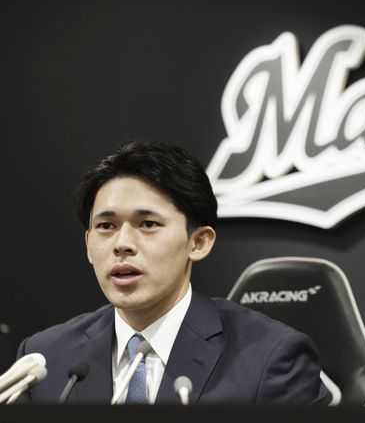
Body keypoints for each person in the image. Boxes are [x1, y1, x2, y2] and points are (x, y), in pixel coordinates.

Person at [15, 141, 328, 404]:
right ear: (88, 245)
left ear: (198, 242)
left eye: (148, 224)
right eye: (106, 226)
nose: (122, 244)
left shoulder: (271, 358)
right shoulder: (44, 358)